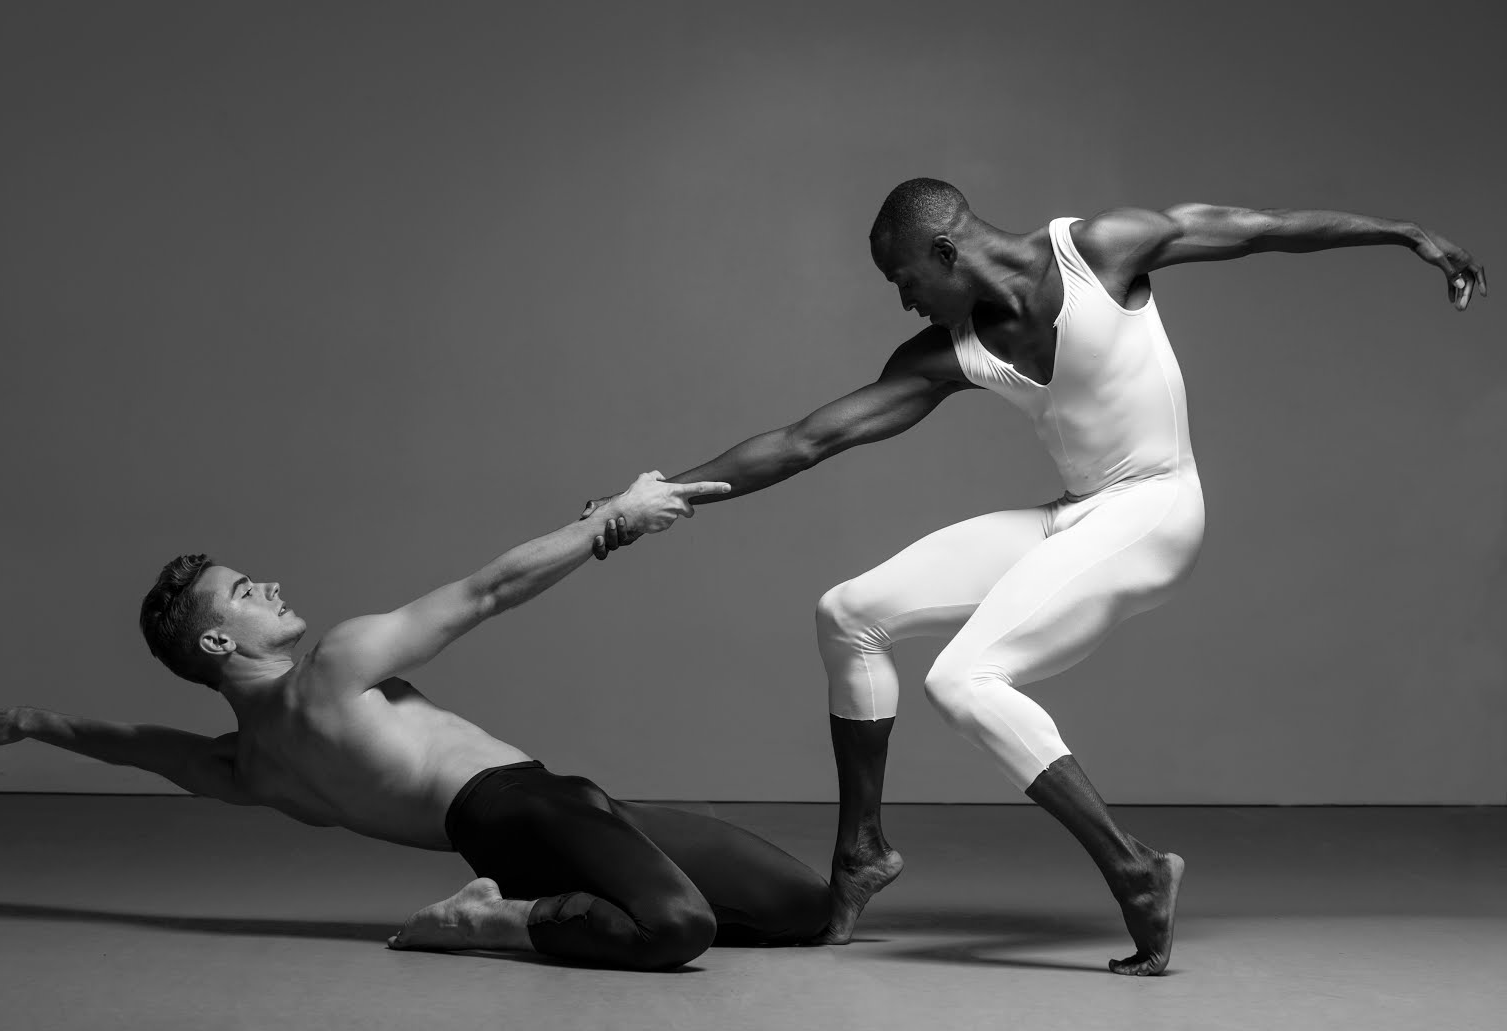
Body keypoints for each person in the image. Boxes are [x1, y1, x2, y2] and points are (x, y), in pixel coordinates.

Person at [581, 179, 1486, 975]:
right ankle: (862, 850)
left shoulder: (1101, 251)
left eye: (904, 282)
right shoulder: (950, 351)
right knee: (848, 612)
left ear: (945, 248)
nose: (903, 305)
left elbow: (1255, 226)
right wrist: (663, 494)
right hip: (1079, 510)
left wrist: (1406, 230)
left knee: (965, 679)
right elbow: (807, 439)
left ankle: (1135, 866)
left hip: (1158, 511)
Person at [0, 471, 830, 971]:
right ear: (218, 637)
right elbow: (488, 590)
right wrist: (609, 520)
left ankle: (544, 904)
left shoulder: (247, 767)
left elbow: (139, 750)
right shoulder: (335, 666)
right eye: (248, 592)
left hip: (565, 805)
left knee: (809, 910)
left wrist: (33, 719)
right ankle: (491, 922)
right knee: (682, 928)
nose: (272, 587)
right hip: (512, 815)